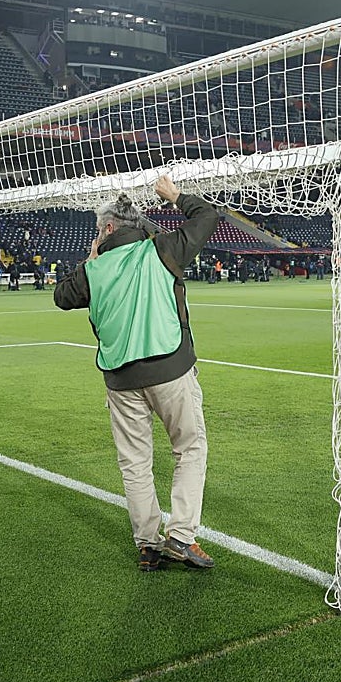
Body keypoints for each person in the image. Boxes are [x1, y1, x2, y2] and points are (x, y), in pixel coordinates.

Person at [54, 176, 217, 573]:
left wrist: (92, 258)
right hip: (170, 369)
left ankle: (148, 544)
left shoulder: (94, 270)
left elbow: (62, 297)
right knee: (189, 449)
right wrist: (175, 196)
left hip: (121, 380)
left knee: (135, 463)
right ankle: (180, 534)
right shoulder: (162, 250)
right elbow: (207, 217)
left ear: (108, 228)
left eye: (98, 229)